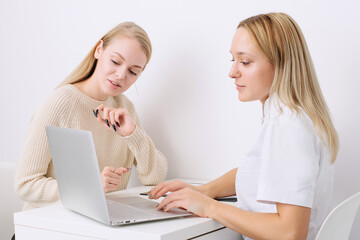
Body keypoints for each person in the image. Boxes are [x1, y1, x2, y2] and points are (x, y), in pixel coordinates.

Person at [149, 13, 339, 240]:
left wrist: (209, 207)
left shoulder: (288, 126)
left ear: (280, 64)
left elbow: (290, 232)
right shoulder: (293, 115)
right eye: (233, 60)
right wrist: (204, 191)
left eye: (245, 62)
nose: (232, 72)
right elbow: (259, 172)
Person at [15, 22, 168, 211]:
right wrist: (89, 188)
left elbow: (154, 177)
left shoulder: (124, 108)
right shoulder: (61, 101)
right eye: (115, 61)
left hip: (96, 227)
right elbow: (25, 184)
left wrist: (133, 134)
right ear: (98, 50)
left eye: (133, 71)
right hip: (47, 228)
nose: (121, 75)